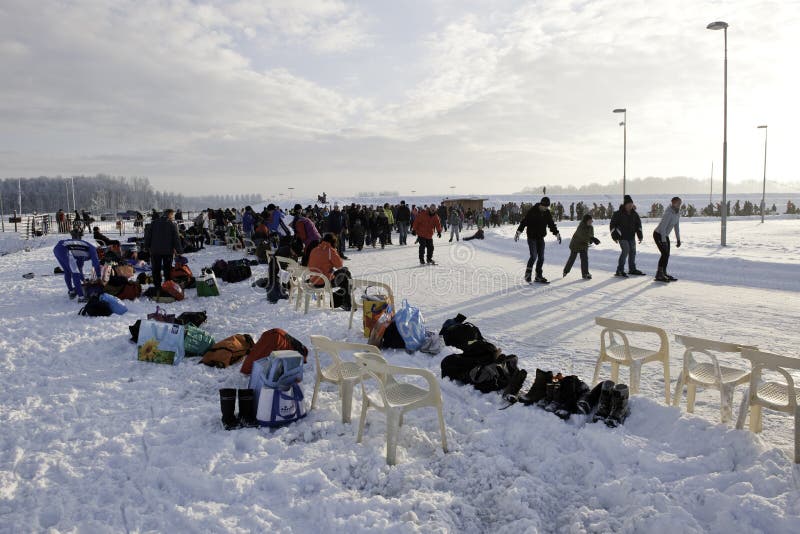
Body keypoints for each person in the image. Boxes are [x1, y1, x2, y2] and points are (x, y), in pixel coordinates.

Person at [515, 196, 561, 283]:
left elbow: (551, 224)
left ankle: (538, 276)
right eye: (545, 207)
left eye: (547, 207)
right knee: (533, 256)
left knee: (541, 258)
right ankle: (528, 275)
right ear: (541, 205)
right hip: (532, 238)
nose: (546, 208)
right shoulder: (532, 211)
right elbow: (524, 222)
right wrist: (518, 232)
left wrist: (557, 233)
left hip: (540, 238)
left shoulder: (547, 212)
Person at [307, 233, 351, 309]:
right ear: (333, 242)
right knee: (346, 274)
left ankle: (343, 301)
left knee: (345, 275)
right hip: (324, 282)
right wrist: (335, 252)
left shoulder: (314, 250)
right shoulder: (330, 250)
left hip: (314, 280)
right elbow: (339, 265)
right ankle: (342, 301)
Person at [144, 209, 183, 289]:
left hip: (155, 251)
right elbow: (176, 239)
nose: (173, 217)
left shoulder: (154, 223)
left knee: (156, 269)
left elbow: (148, 236)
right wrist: (179, 250)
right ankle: (167, 285)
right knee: (167, 269)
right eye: (172, 215)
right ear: (170, 214)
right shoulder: (172, 224)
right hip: (167, 252)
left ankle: (157, 286)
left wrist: (146, 247)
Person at [609, 195, 645, 277]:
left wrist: (640, 235)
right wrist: (614, 236)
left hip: (631, 236)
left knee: (633, 252)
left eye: (631, 204)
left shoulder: (634, 214)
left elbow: (638, 225)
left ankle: (632, 269)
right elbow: (612, 225)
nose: (630, 206)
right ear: (625, 205)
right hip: (622, 237)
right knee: (626, 250)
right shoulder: (618, 214)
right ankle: (619, 270)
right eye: (629, 204)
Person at [653, 197, 682, 282]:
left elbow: (676, 227)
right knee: (664, 254)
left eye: (680, 203)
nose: (679, 205)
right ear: (673, 203)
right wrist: (663, 241)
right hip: (658, 234)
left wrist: (678, 239)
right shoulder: (668, 213)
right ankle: (659, 274)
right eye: (678, 203)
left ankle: (664, 273)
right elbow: (662, 228)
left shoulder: (677, 213)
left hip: (665, 235)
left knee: (667, 254)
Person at [563, 214, 600, 280]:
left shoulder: (591, 227)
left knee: (584, 259)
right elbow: (582, 236)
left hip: (584, 245)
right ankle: (566, 271)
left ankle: (585, 274)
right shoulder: (581, 226)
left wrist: (592, 240)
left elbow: (591, 235)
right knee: (572, 259)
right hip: (576, 244)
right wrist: (592, 238)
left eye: (591, 221)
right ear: (586, 221)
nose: (591, 222)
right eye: (589, 221)